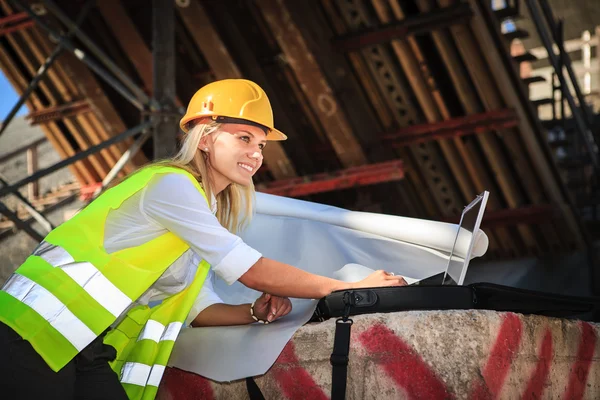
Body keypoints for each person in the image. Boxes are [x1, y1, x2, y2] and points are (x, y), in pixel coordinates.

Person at [0, 79, 406, 400]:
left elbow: (196, 309)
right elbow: (251, 269)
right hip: (31, 331)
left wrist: (253, 312)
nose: (257, 153)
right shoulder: (171, 187)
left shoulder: (201, 210)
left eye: (261, 144)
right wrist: (348, 288)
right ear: (206, 137)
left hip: (85, 347)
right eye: (244, 138)